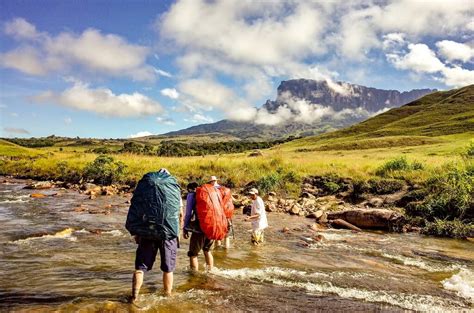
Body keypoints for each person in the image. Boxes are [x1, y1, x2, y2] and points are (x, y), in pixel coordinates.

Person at [125, 168, 183, 302]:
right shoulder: (173, 190)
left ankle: (134, 296)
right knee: (168, 269)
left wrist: (137, 232)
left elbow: (137, 208)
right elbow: (180, 214)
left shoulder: (147, 190)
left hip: (147, 232)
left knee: (140, 267)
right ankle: (167, 296)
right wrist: (177, 231)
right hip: (168, 234)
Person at [183, 182, 214, 271]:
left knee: (193, 254)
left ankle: (194, 276)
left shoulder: (192, 195)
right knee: (207, 250)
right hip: (212, 226)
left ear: (189, 189)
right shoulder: (209, 194)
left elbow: (188, 213)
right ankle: (210, 271)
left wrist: (185, 228)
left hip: (200, 227)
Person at [210, 175, 232, 249]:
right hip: (227, 213)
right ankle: (226, 250)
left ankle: (215, 249)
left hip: (217, 214)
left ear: (211, 182)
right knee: (226, 234)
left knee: (215, 232)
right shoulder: (225, 189)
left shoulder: (212, 190)